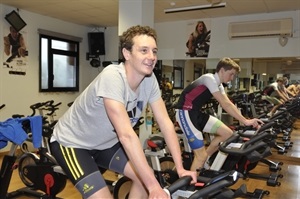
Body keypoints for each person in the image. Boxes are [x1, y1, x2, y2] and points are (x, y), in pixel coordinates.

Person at [50, 25, 196, 199]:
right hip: (73, 144)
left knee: (144, 177)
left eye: (154, 51)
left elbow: (165, 123)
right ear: (127, 54)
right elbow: (126, 135)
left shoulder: (150, 81)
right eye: (144, 50)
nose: (151, 57)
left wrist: (179, 168)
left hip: (105, 144)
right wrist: (154, 187)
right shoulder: (112, 76)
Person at [174, 57, 263, 171]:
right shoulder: (208, 78)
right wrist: (245, 121)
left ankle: (204, 159)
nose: (232, 78)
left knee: (227, 133)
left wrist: (245, 120)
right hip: (184, 113)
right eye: (231, 74)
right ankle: (191, 186)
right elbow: (224, 103)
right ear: (222, 70)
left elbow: (228, 104)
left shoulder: (219, 84)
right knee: (199, 157)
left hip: (196, 113)